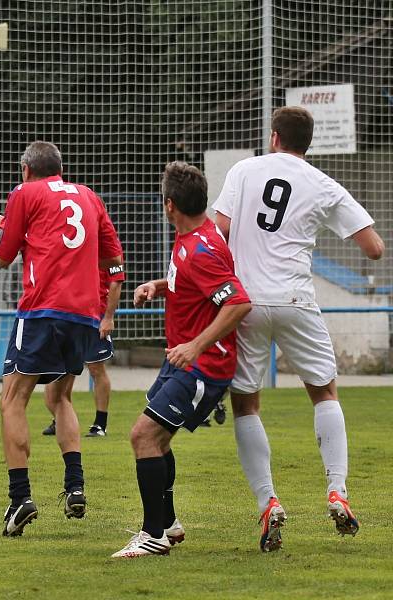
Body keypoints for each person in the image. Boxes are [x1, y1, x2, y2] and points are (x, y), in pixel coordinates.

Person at [212, 106, 385, 551]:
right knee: (324, 393)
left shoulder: (245, 170)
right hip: (296, 300)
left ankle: (269, 503)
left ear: (273, 137)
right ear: (308, 143)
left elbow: (219, 231)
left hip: (245, 302)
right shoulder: (321, 183)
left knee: (246, 404)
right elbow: (374, 248)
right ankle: (337, 491)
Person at [111, 162, 251, 559]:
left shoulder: (201, 249)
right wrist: (159, 285)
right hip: (183, 361)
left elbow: (238, 303)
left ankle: (152, 534)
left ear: (169, 205)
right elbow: (197, 286)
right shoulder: (192, 236)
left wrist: (196, 346)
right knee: (158, 439)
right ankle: (167, 524)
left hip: (203, 366)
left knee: (143, 436)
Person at [0, 141, 123, 537]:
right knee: (61, 397)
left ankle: (19, 498)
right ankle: (75, 486)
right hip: (84, 315)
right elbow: (113, 259)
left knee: (12, 399)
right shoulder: (89, 196)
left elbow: (2, 257)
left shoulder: (23, 193)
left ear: (27, 170)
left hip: (41, 311)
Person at [41, 267, 124, 438]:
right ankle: (62, 420)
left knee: (96, 369)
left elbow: (116, 281)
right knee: (62, 371)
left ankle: (100, 424)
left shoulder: (106, 246)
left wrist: (108, 317)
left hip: (95, 316)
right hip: (68, 315)